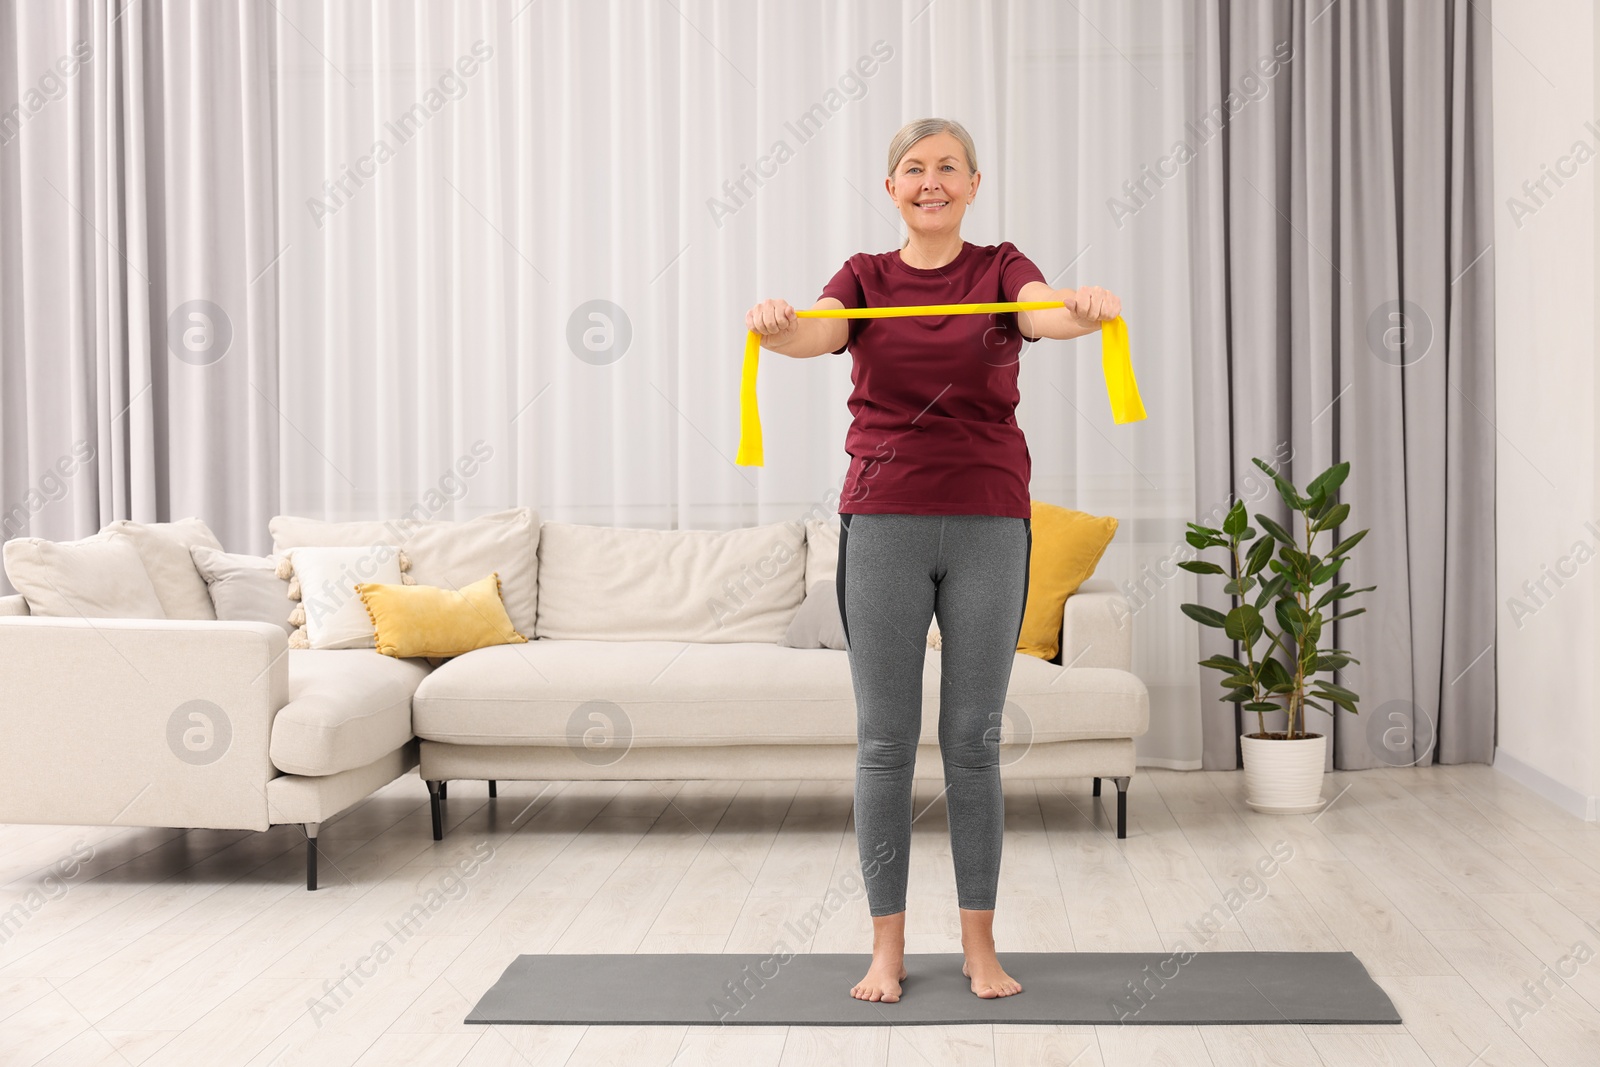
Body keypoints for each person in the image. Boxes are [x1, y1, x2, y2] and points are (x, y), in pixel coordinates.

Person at [743, 117, 1121, 1003]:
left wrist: (1082, 309)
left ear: (973, 183)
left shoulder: (1000, 267)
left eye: (948, 167)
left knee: (972, 742)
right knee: (883, 745)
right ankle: (887, 949)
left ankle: (980, 947)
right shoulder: (864, 279)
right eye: (914, 169)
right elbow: (818, 333)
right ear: (891, 189)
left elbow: (1042, 313)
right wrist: (774, 326)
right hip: (883, 521)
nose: (931, 181)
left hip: (989, 518)